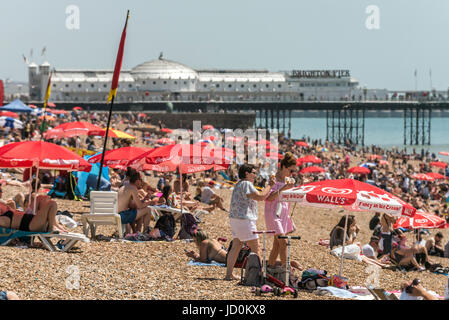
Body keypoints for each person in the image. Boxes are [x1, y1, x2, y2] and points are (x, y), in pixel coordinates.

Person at [225, 164, 275, 280]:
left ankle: (229, 274)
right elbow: (260, 197)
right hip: (244, 220)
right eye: (253, 172)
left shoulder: (238, 184)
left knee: (236, 246)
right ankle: (261, 275)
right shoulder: (246, 184)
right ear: (246, 173)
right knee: (256, 247)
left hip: (235, 219)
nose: (255, 175)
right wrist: (270, 186)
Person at [264, 152, 297, 269]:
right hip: (273, 212)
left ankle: (268, 269)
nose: (292, 173)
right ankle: (286, 271)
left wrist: (303, 185)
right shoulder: (273, 178)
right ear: (283, 167)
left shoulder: (287, 180)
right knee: (283, 242)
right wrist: (283, 188)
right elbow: (268, 198)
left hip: (283, 213)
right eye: (291, 170)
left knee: (277, 245)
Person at [117, 169, 153, 235]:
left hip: (118, 214)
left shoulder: (124, 187)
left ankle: (137, 232)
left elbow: (132, 204)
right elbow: (140, 206)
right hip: (123, 216)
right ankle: (145, 233)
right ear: (137, 180)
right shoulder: (133, 188)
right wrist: (151, 202)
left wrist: (144, 199)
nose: (141, 182)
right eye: (140, 180)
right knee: (148, 209)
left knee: (140, 212)